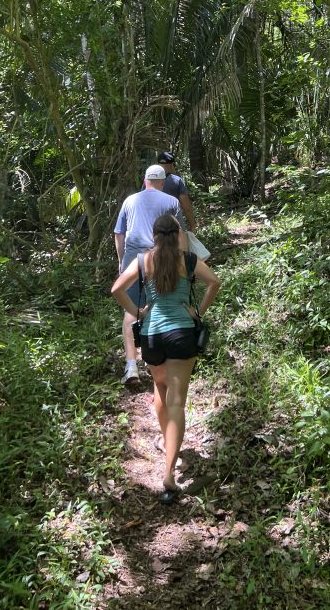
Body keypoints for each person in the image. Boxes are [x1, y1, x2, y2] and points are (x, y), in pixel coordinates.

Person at [111, 213, 220, 503]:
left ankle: (166, 439)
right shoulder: (188, 260)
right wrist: (199, 312)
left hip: (152, 337)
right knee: (177, 402)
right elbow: (214, 282)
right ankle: (169, 472)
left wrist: (138, 312)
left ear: (154, 235)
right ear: (178, 234)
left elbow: (116, 289)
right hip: (182, 334)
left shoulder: (143, 261)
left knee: (160, 388)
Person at [114, 164, 186, 386]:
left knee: (132, 310)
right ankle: (155, 356)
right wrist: (183, 263)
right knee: (159, 303)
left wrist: (121, 261)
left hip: (134, 258)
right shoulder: (171, 202)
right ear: (163, 183)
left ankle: (131, 366)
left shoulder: (129, 201)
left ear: (145, 180)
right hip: (162, 258)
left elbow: (119, 234)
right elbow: (180, 237)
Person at [156, 151, 197, 233]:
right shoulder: (177, 181)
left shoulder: (148, 181)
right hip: (172, 227)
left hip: (153, 226)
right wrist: (192, 225)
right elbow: (186, 207)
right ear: (172, 165)